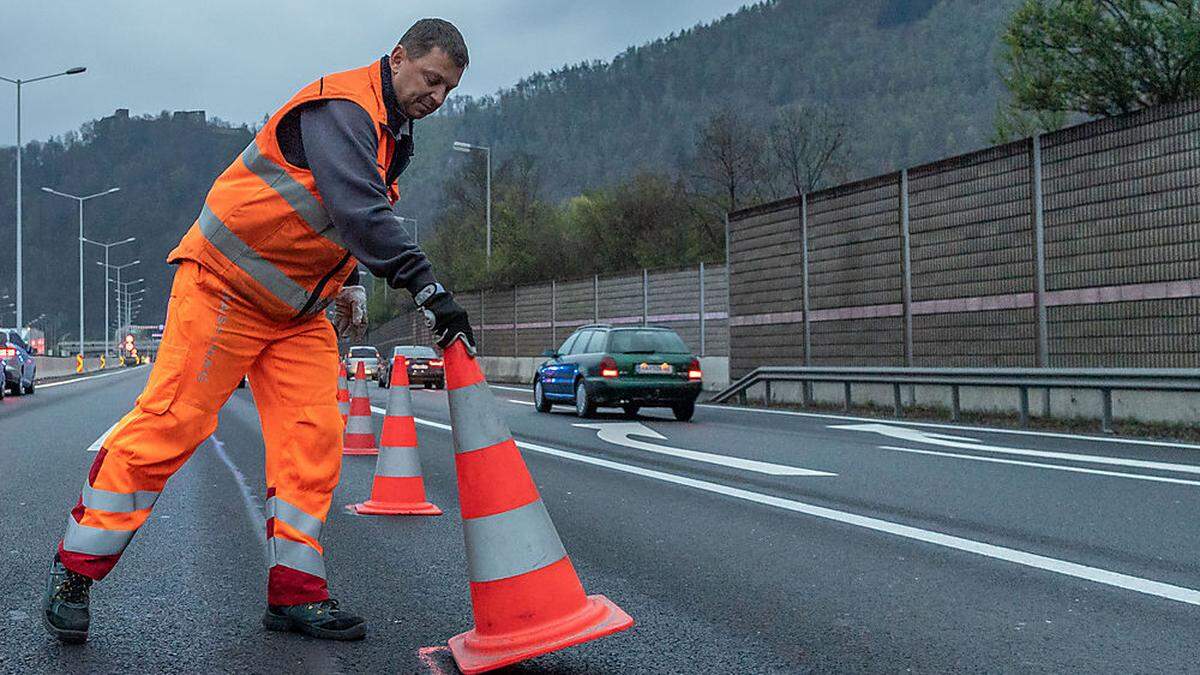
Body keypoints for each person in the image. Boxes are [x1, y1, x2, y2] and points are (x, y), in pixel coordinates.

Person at [42, 18, 476, 644]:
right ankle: (74, 572)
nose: (436, 97)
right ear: (399, 56)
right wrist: (428, 288)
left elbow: (338, 214)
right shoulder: (344, 108)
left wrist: (349, 281)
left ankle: (295, 595)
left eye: (448, 90)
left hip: (296, 315)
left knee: (313, 440)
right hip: (223, 288)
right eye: (431, 79)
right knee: (172, 423)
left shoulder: (391, 131)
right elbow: (359, 205)